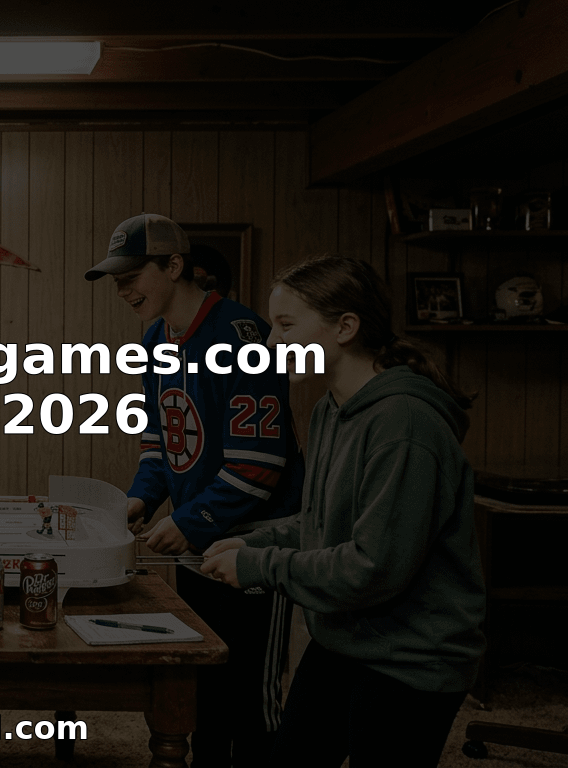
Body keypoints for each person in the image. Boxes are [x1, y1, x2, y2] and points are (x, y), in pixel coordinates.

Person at [201, 256, 486, 768]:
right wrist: (255, 542)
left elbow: (371, 568)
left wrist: (257, 568)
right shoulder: (331, 406)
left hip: (412, 660)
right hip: (345, 639)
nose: (270, 344)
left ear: (346, 328)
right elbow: (321, 520)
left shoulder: (405, 423)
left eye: (286, 326)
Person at [84, 213, 304, 767]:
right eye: (117, 278)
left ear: (175, 265)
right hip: (198, 543)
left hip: (257, 542)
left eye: (134, 274)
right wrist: (139, 499)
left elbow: (260, 465)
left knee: (251, 697)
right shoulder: (155, 337)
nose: (124, 288)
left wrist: (188, 522)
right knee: (202, 685)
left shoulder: (239, 334)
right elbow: (160, 438)